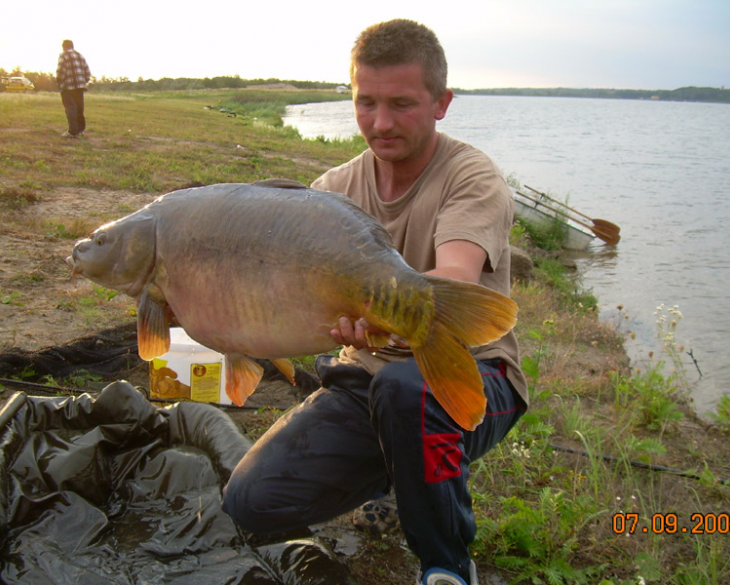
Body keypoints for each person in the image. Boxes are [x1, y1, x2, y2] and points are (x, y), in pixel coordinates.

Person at [222, 19, 528, 585]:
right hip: (365, 379)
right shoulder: (331, 190)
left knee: (405, 387)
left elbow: (453, 280)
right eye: (366, 103)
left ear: (442, 103)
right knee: (250, 501)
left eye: (402, 104)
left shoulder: (471, 176)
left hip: (474, 376)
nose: (380, 123)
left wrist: (382, 318)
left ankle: (447, 564)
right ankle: (403, 469)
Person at [56, 39, 91, 138]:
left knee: (70, 108)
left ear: (63, 47)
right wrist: (83, 82)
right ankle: (80, 130)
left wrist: (59, 82)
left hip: (68, 87)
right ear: (72, 46)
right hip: (80, 87)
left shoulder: (63, 56)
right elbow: (87, 73)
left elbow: (60, 71)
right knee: (80, 109)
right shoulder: (80, 56)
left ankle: (72, 132)